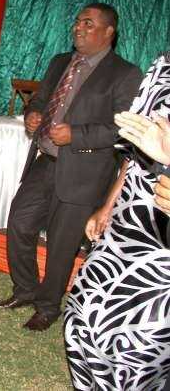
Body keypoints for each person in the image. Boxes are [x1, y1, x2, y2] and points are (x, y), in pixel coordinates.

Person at [0, 3, 143, 331]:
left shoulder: (125, 73)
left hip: (85, 172)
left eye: (88, 24)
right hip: (46, 162)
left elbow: (124, 127)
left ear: (108, 32)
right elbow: (42, 100)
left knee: (62, 242)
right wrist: (34, 113)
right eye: (77, 22)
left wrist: (76, 134)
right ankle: (26, 289)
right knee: (19, 222)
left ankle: (48, 306)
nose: (78, 28)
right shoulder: (60, 61)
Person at [64, 53, 170, 390]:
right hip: (132, 214)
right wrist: (108, 204)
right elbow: (134, 152)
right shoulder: (162, 66)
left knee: (141, 345)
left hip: (161, 247)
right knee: (83, 317)